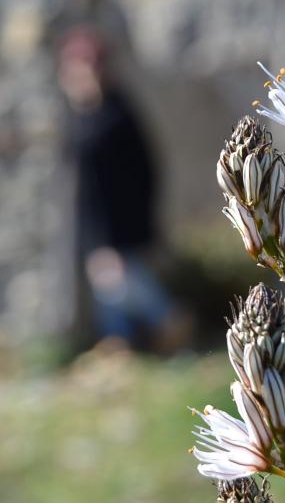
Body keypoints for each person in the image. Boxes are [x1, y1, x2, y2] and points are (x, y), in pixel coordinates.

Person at [57, 26, 175, 349]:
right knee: (109, 295)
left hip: (119, 228)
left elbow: (136, 177)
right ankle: (120, 349)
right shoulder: (82, 118)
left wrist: (111, 240)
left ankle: (171, 322)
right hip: (97, 229)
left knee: (122, 285)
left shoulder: (115, 116)